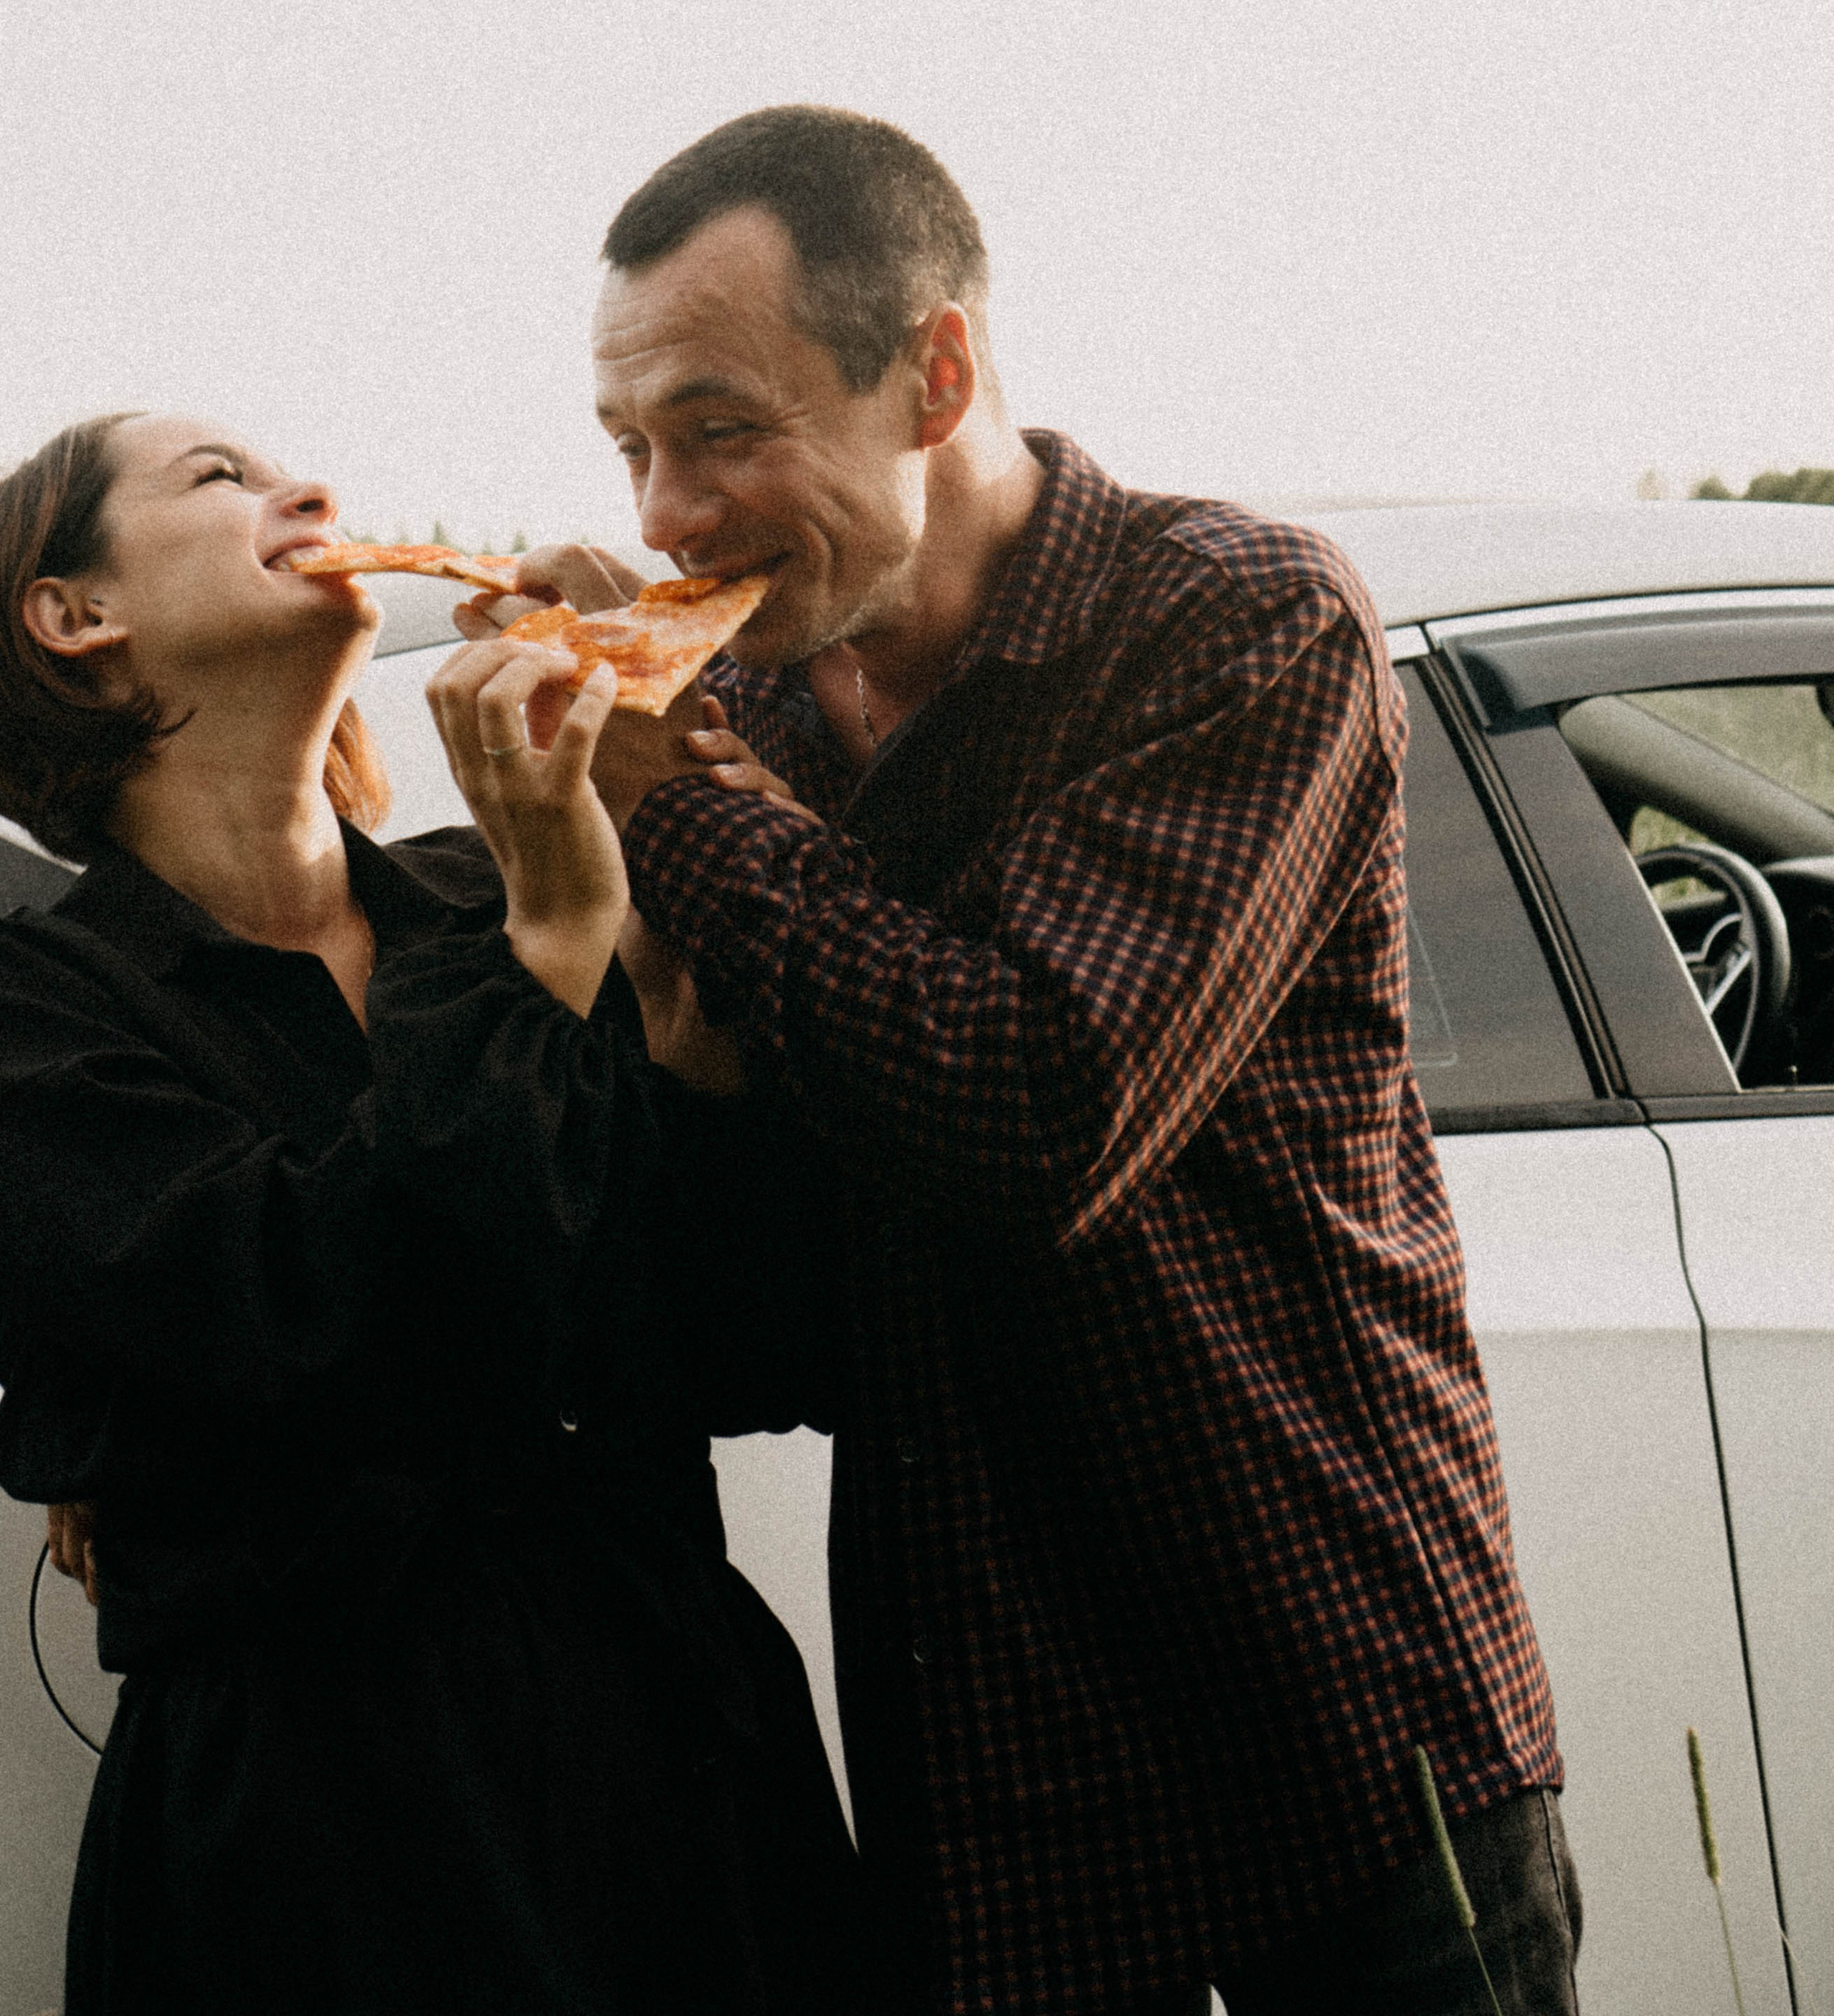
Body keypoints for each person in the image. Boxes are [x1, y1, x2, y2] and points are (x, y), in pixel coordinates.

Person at [488, 105, 1582, 2016]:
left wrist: (680, 810)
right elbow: (750, 1318)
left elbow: (1034, 1113)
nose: (663, 517)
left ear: (938, 370)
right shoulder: (739, 710)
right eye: (631, 451)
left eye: (723, 430)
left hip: (1320, 1728)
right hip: (989, 1791)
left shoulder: (1234, 622)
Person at [0, 412, 864, 2016]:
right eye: (218, 480)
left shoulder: (497, 875)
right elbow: (302, 1313)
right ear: (73, 616)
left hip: (682, 1775)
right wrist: (547, 946)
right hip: (328, 1841)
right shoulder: (40, 1008)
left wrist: (675, 978)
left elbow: (763, 1341)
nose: (305, 492)